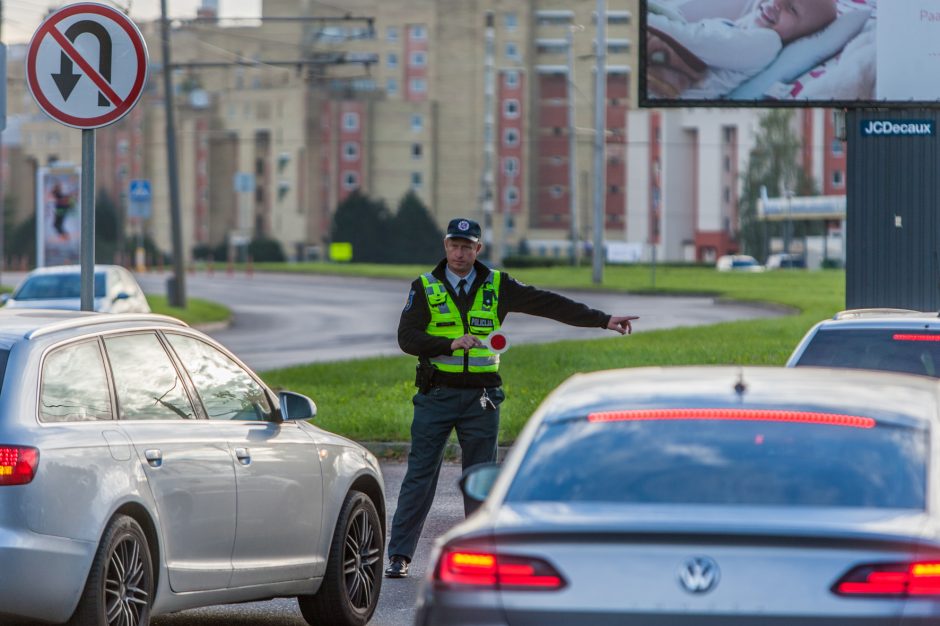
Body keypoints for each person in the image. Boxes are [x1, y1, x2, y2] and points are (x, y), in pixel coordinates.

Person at [385, 217, 639, 578]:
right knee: (420, 476)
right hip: (436, 394)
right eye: (454, 245)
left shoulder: (497, 285)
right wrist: (448, 343)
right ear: (445, 246)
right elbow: (406, 338)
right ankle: (399, 556)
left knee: (481, 480)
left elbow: (549, 304)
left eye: (466, 246)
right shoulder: (425, 287)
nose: (459, 252)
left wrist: (603, 319)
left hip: (482, 399)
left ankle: (479, 557)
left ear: (478, 249)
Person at [646, 0, 837, 99]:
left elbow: (692, 41)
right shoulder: (737, 27)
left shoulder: (767, 44)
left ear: (800, 36)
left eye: (792, 8)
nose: (777, 3)